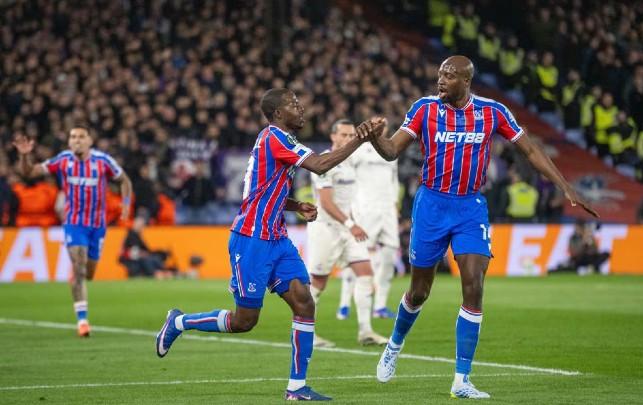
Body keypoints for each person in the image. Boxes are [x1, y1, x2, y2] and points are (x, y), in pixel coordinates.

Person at [360, 56, 598, 399]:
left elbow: (530, 150)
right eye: (440, 74)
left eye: (449, 75)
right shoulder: (424, 109)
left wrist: (565, 187)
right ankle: (394, 345)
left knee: (474, 286)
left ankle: (462, 379)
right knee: (419, 292)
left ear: (466, 81)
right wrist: (374, 139)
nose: (441, 80)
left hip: (470, 208)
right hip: (431, 205)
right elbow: (391, 150)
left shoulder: (493, 112)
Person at [155, 88, 383, 401]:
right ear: (277, 113)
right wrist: (359, 138)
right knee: (244, 321)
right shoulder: (274, 137)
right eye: (293, 104)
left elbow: (259, 189)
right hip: (251, 239)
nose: (300, 108)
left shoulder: (281, 141)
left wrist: (295, 205)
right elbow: (320, 165)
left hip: (277, 239)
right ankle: (180, 321)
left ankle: (296, 387)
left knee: (304, 302)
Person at [13, 126, 132, 337]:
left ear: (89, 141)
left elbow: (125, 180)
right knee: (79, 266)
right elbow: (29, 172)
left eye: (81, 137)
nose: (77, 140)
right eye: (73, 137)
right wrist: (24, 157)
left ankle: (77, 276)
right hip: (74, 223)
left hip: (97, 225)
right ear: (69, 142)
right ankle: (82, 321)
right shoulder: (63, 160)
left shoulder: (103, 161)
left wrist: (126, 203)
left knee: (89, 273)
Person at [307, 119, 388, 347]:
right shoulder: (323, 162)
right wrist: (351, 224)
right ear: (333, 136)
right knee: (318, 282)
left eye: (351, 135)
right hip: (325, 228)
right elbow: (326, 203)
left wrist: (353, 222)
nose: (348, 139)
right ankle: (307, 333)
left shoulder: (351, 162)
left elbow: (347, 200)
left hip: (347, 228)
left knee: (366, 273)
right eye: (343, 134)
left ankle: (366, 331)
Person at [336, 129, 401, 320]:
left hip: (387, 209)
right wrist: (352, 206)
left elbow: (394, 180)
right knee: (358, 256)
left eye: (383, 124)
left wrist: (395, 203)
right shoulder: (358, 149)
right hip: (366, 208)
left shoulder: (391, 149)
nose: (381, 127)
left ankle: (380, 306)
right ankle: (344, 303)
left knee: (389, 255)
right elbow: (347, 176)